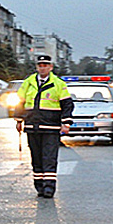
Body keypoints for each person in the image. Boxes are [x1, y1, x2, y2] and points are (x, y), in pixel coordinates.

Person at [14, 55, 74, 198]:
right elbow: (20, 102)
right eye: (40, 65)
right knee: (36, 158)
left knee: (49, 157)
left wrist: (66, 123)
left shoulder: (58, 84)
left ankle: (49, 188)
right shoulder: (29, 82)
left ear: (51, 67)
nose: (43, 67)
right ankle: (39, 187)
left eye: (46, 65)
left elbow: (67, 104)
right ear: (37, 67)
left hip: (50, 127)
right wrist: (18, 119)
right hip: (32, 126)